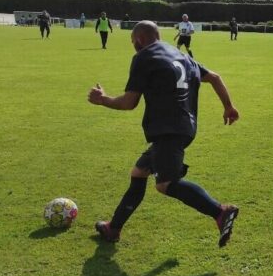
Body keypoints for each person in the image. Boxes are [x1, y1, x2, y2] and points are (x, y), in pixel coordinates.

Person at [87, 20, 240, 247]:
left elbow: (129, 102)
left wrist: (103, 100)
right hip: (182, 128)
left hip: (168, 129)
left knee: (165, 184)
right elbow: (215, 78)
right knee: (139, 173)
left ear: (138, 40)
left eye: (132, 42)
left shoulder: (144, 57)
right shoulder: (181, 56)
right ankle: (113, 228)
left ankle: (220, 211)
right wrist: (228, 106)